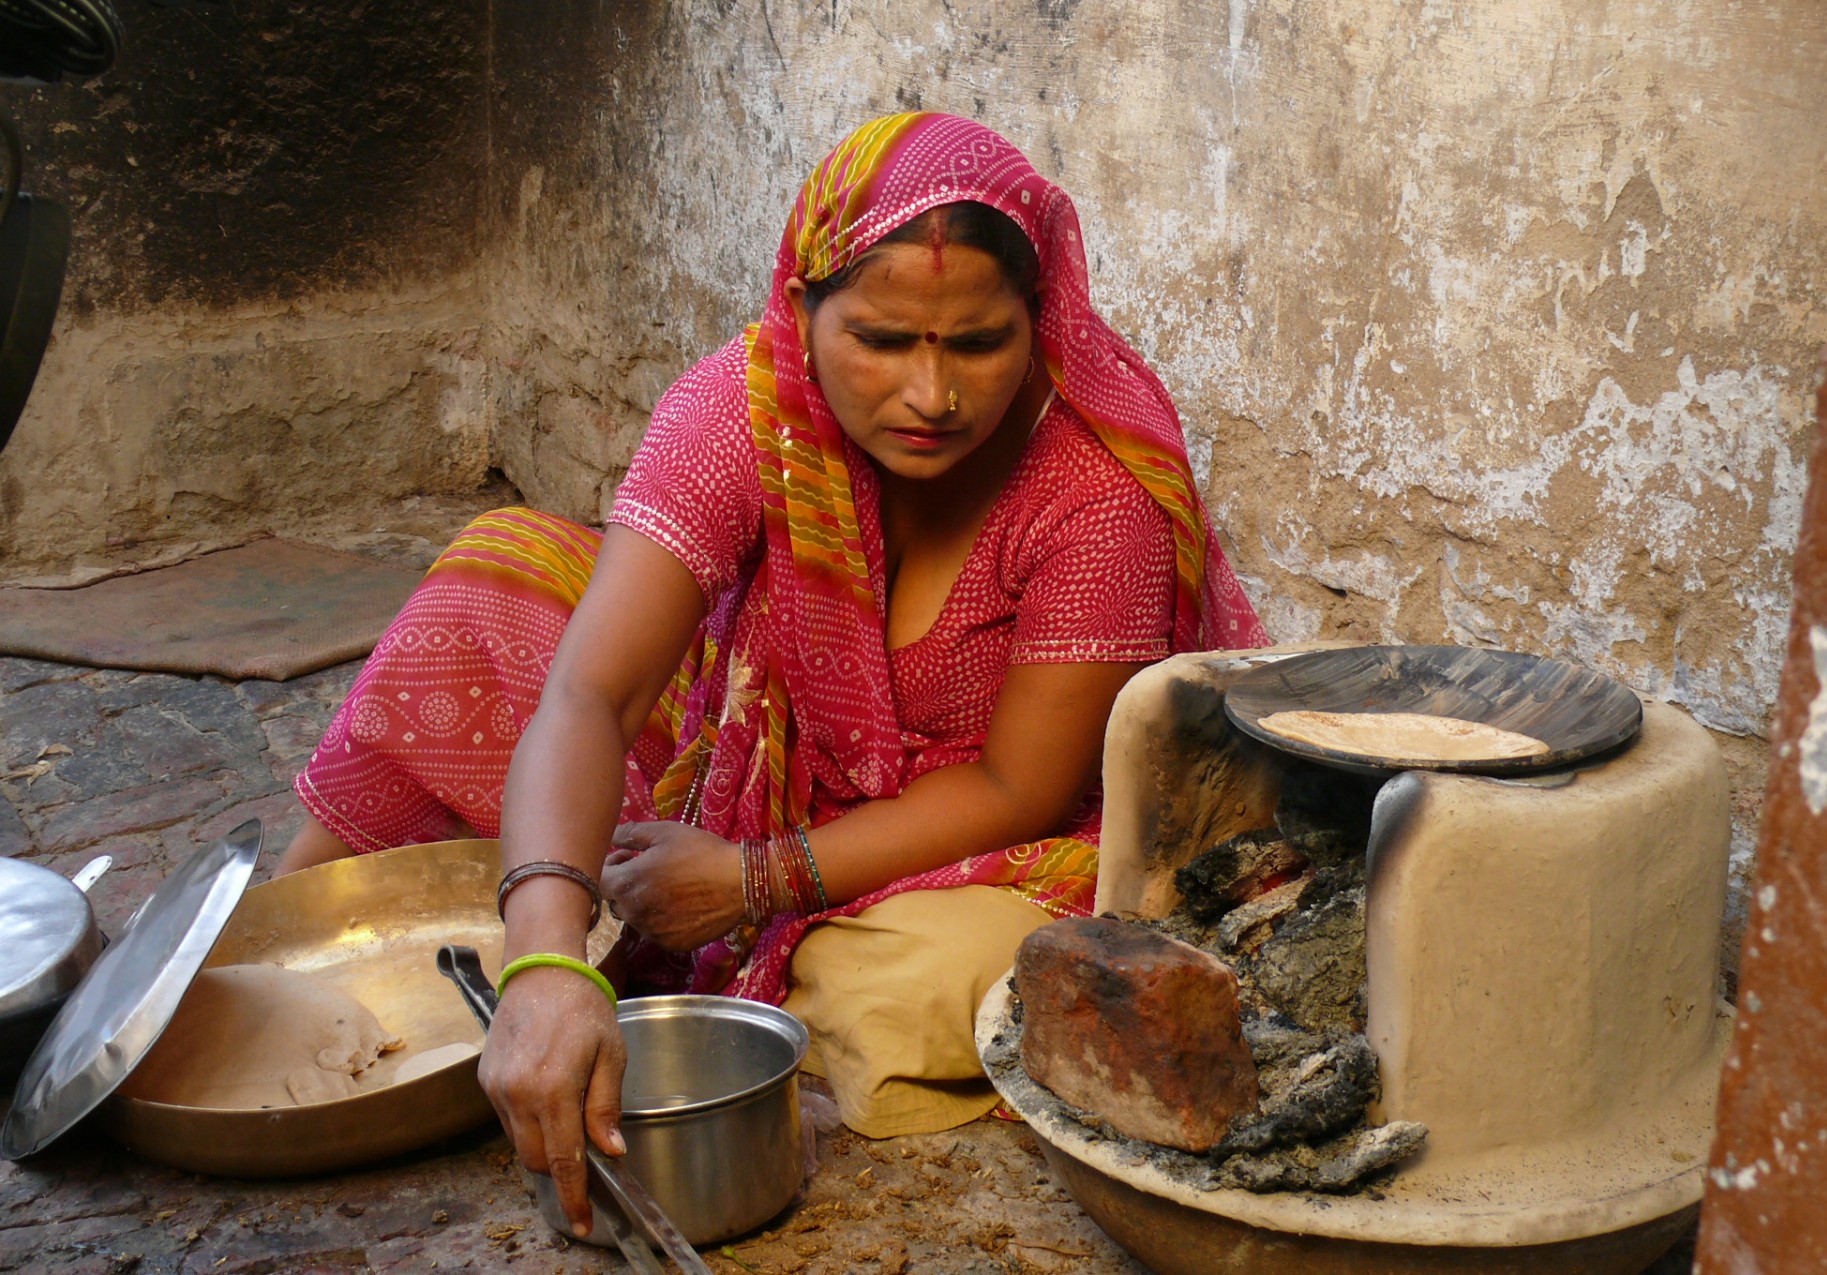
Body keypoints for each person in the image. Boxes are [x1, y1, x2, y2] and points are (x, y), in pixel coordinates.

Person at [277, 112, 1266, 1234]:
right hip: (752, 740)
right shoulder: (746, 411)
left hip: (978, 833)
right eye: (884, 340)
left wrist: (755, 879)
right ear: (803, 308)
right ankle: (274, 942)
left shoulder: (1100, 494)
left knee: (921, 987)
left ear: (1039, 325)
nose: (932, 395)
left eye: (979, 343)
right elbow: (591, 696)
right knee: (489, 580)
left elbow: (1017, 790)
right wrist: (546, 961)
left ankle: (735, 978)